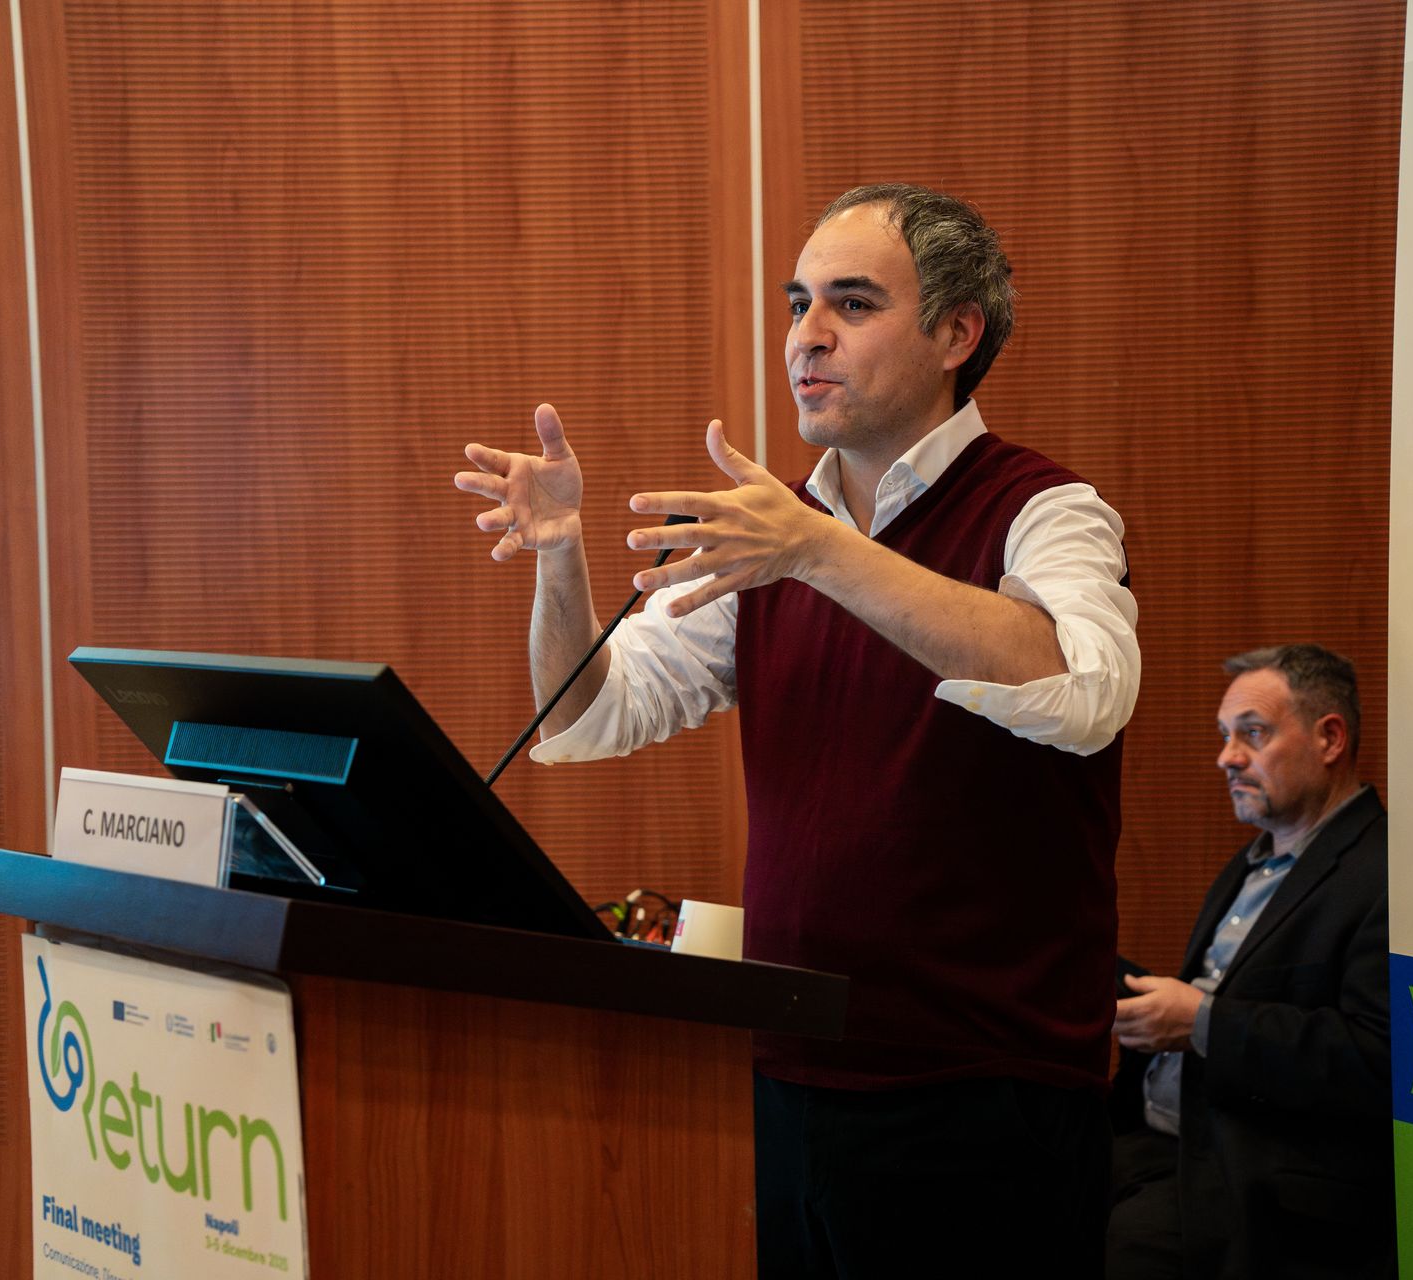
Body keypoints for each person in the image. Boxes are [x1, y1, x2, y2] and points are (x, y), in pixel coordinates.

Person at [456, 183, 1140, 1277]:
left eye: (852, 304)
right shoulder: (775, 533)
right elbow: (587, 714)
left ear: (957, 333)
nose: (806, 336)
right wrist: (561, 558)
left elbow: (1084, 687)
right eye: (797, 302)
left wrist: (822, 551)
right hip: (787, 1069)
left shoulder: (1041, 508)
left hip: (983, 1095)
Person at [1107, 644, 1392, 1280]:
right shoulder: (1255, 861)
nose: (1227, 757)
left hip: (1255, 1181)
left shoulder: (1384, 873)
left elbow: (1378, 1059)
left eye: (1253, 734)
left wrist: (1202, 1024)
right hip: (1156, 1138)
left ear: (1329, 738)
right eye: (1224, 736)